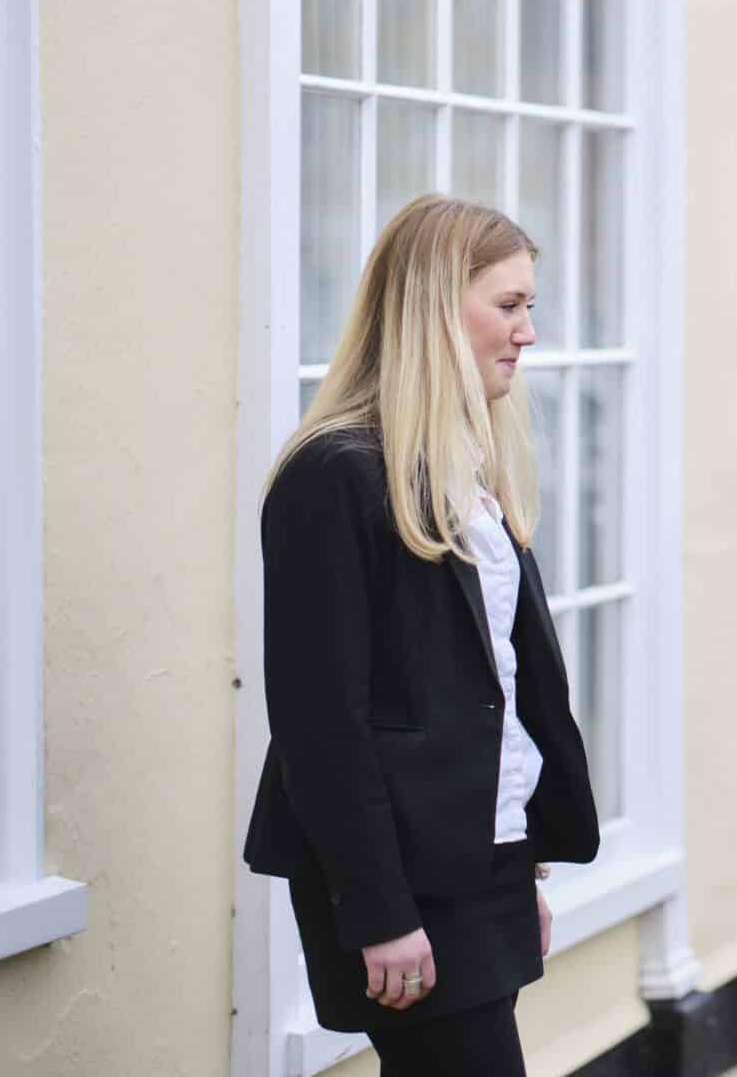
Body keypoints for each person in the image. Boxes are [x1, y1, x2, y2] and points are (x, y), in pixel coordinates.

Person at [243, 196, 600, 1076]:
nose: (528, 331)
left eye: (529, 306)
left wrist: (524, 870)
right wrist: (379, 912)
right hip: (400, 887)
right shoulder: (335, 475)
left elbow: (496, 691)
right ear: (437, 310)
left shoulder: (467, 474)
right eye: (508, 305)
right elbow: (321, 724)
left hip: (485, 868)